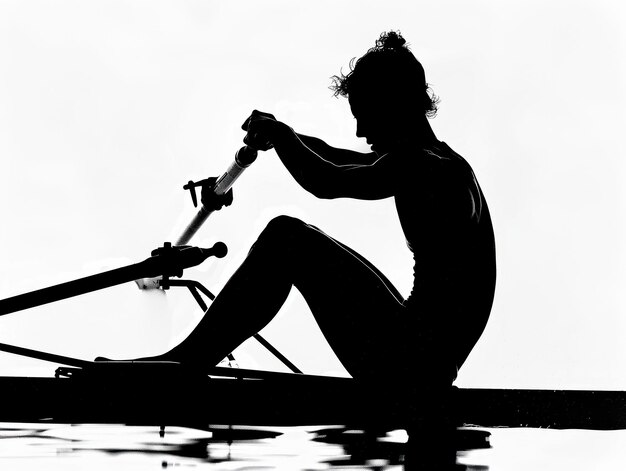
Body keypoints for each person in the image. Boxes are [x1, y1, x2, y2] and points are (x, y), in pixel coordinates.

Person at [133, 31, 496, 391]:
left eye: (365, 116)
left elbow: (326, 180)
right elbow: (336, 157)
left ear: (395, 104)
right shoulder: (435, 162)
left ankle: (185, 363)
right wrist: (281, 134)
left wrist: (282, 134)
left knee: (286, 238)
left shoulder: (429, 169)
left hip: (413, 364)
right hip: (420, 355)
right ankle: (186, 360)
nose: (359, 131)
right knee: (296, 235)